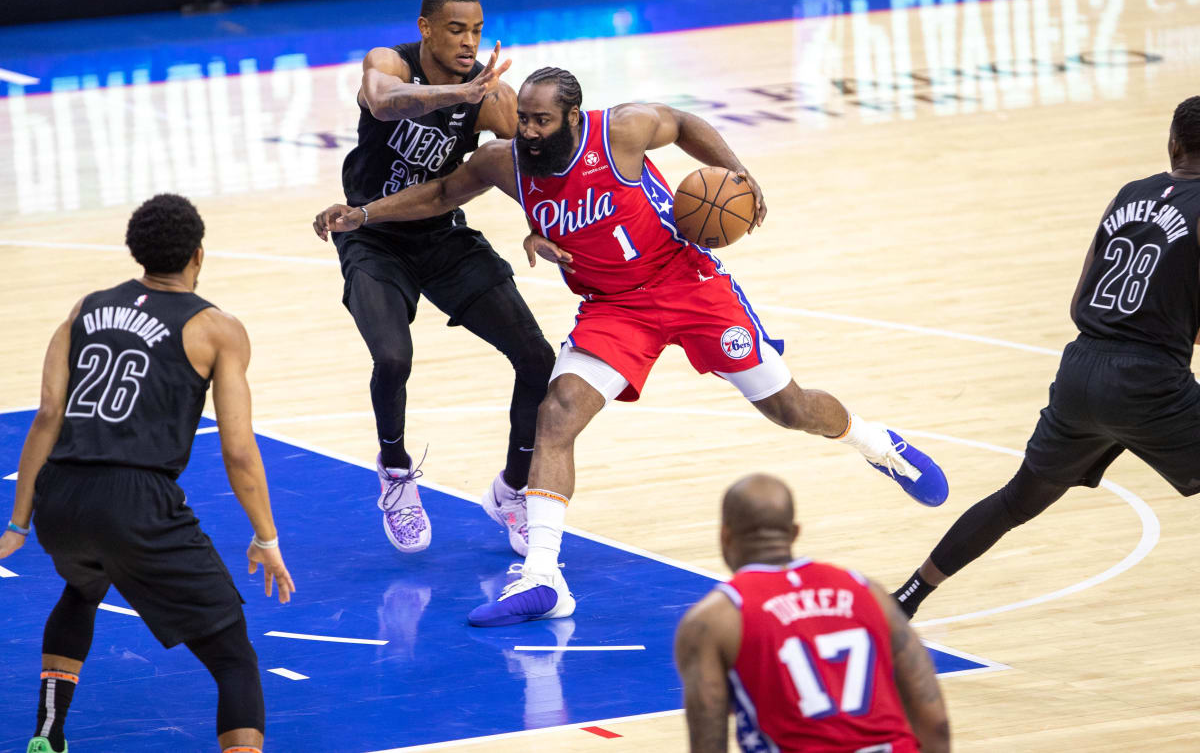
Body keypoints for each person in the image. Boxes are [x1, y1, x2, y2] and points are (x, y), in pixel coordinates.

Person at [314, 66, 948, 626]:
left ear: (572, 117)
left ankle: (875, 443)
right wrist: (365, 215)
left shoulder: (620, 130)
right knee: (556, 414)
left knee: (790, 409)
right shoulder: (503, 162)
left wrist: (739, 176)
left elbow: (686, 121)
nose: (527, 131)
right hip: (616, 309)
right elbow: (443, 193)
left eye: (540, 121)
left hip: (690, 283)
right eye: (523, 120)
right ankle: (542, 577)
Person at [0, 194, 294, 753]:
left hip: (60, 497)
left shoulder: (85, 308)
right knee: (234, 656)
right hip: (136, 500)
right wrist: (266, 537)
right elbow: (238, 451)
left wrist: (19, 523)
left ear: (136, 252)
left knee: (83, 586)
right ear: (198, 256)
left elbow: (46, 416)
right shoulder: (217, 328)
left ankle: (46, 734)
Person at [893, 96, 1200, 619]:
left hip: (1081, 370)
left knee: (1018, 500)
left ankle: (908, 597)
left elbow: (1081, 295)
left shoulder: (1128, 194)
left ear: (1173, 145)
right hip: (1148, 380)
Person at [316, 0, 555, 556]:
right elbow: (383, 100)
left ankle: (513, 489)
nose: (469, 41)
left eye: (476, 30)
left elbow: (529, 163)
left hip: (441, 235)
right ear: (425, 29)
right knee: (393, 357)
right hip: (368, 232)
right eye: (456, 30)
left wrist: (541, 220)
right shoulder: (387, 61)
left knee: (537, 357)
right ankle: (395, 472)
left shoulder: (490, 96)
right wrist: (457, 96)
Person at [674, 474, 951, 753]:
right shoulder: (868, 592)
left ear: (725, 535)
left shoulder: (714, 620)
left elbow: (708, 746)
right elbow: (936, 725)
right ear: (794, 533)